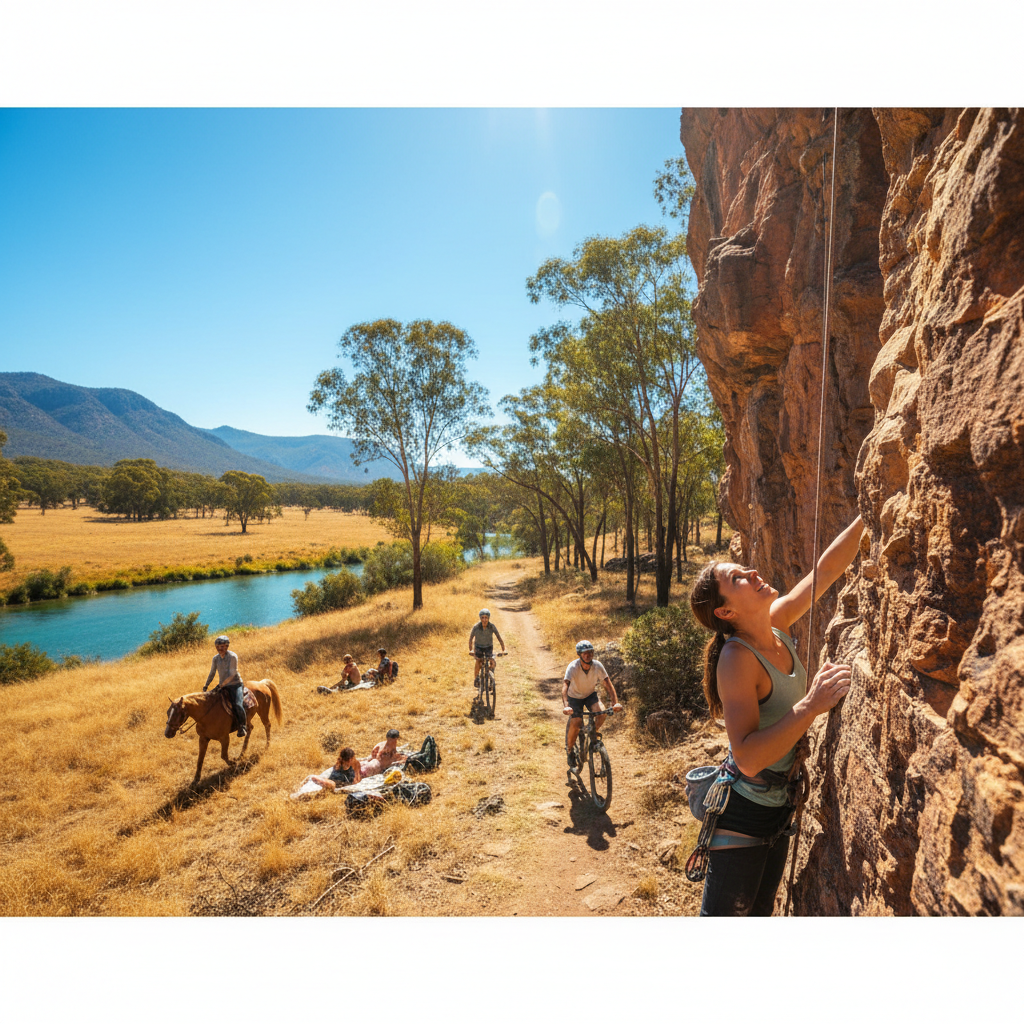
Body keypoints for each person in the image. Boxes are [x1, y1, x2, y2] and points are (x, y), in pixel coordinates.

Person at [688, 514, 866, 917]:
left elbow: (826, 571)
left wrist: (867, 515)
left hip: (777, 806)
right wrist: (811, 705)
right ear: (726, 612)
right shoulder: (736, 659)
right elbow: (748, 757)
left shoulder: (777, 623)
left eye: (744, 569)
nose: (752, 572)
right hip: (744, 814)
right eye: (738, 579)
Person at [562, 640, 622, 767]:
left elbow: (608, 684)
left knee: (602, 713)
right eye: (584, 653)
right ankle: (570, 751)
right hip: (574, 698)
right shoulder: (573, 667)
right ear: (579, 654)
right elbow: (565, 686)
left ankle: (592, 733)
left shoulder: (597, 666)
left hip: (590, 695)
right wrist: (566, 706)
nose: (587, 655)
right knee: (576, 722)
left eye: (590, 652)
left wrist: (615, 703)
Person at [203, 634, 247, 737]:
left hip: (236, 685)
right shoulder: (215, 658)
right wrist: (206, 685)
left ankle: (242, 726)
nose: (220, 649)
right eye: (218, 647)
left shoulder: (232, 656)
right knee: (211, 702)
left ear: (227, 646)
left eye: (222, 646)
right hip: (223, 686)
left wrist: (221, 685)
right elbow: (212, 672)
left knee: (238, 704)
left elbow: (233, 674)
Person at [469, 608, 505, 688]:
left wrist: (503, 649)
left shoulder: (492, 626)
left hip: (488, 647)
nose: (484, 620)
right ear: (480, 618)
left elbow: (499, 637)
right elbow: (470, 639)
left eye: (486, 617)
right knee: (478, 661)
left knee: (492, 662)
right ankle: (476, 678)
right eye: (482, 617)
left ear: (488, 618)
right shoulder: (476, 627)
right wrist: (471, 650)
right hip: (478, 647)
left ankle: (491, 677)